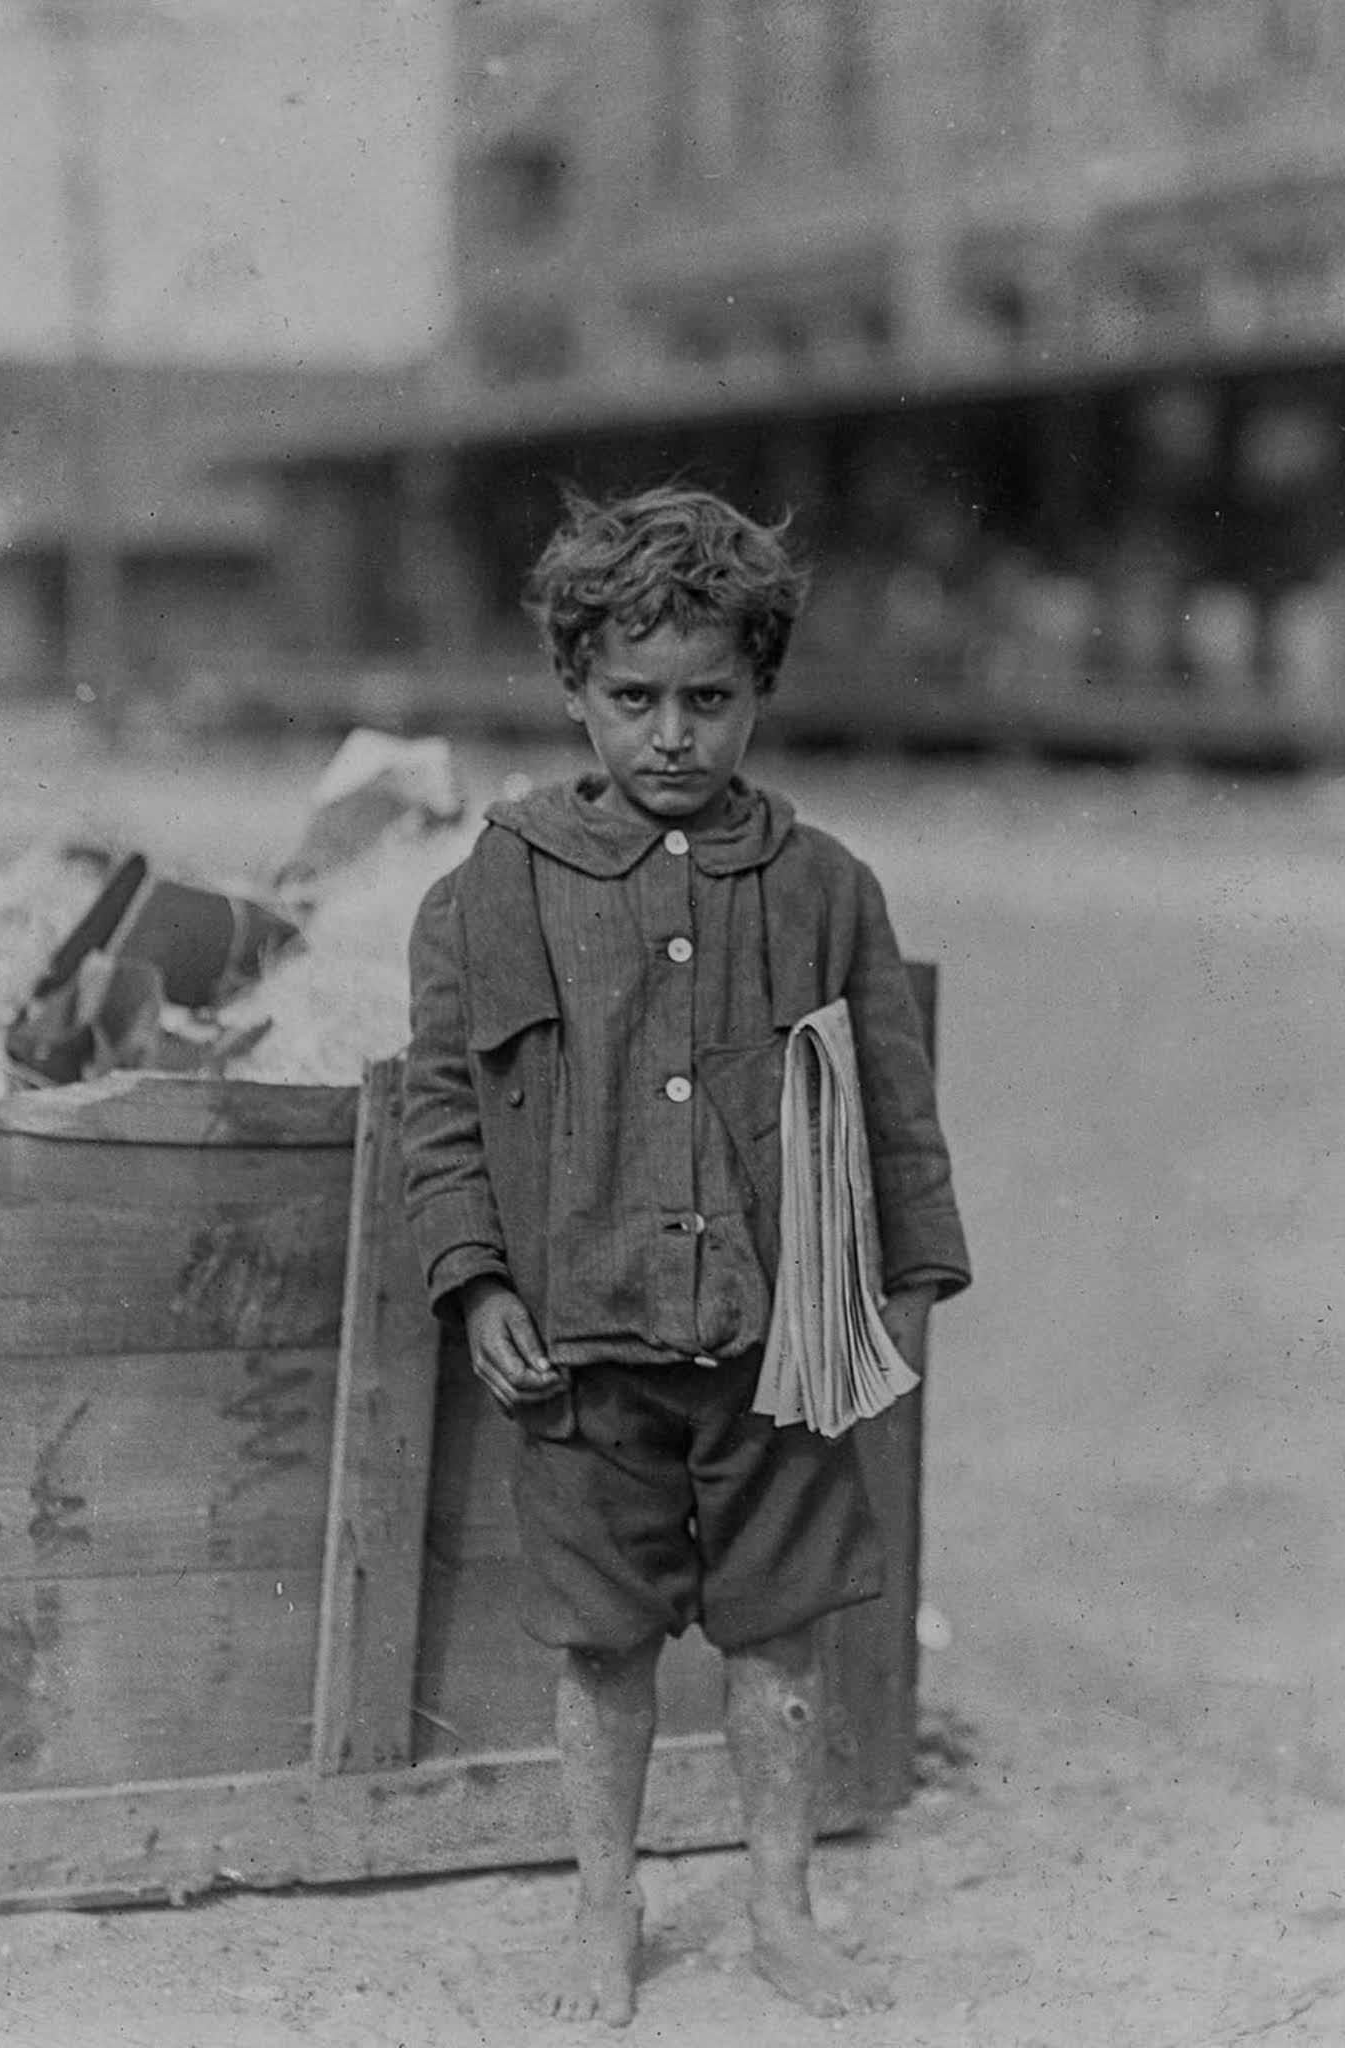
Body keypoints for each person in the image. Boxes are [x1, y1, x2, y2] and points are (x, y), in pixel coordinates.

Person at [401, 485, 971, 2027]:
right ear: (573, 690)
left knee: (782, 1632)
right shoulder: (492, 888)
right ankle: (606, 1912)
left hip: (780, 1347)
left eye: (709, 700)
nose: (671, 735)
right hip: (580, 1353)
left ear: (759, 690)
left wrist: (904, 1292)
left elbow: (897, 1107)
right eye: (634, 697)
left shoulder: (826, 886)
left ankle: (782, 1908)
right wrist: (476, 1277)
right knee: (602, 1645)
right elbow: (443, 1108)